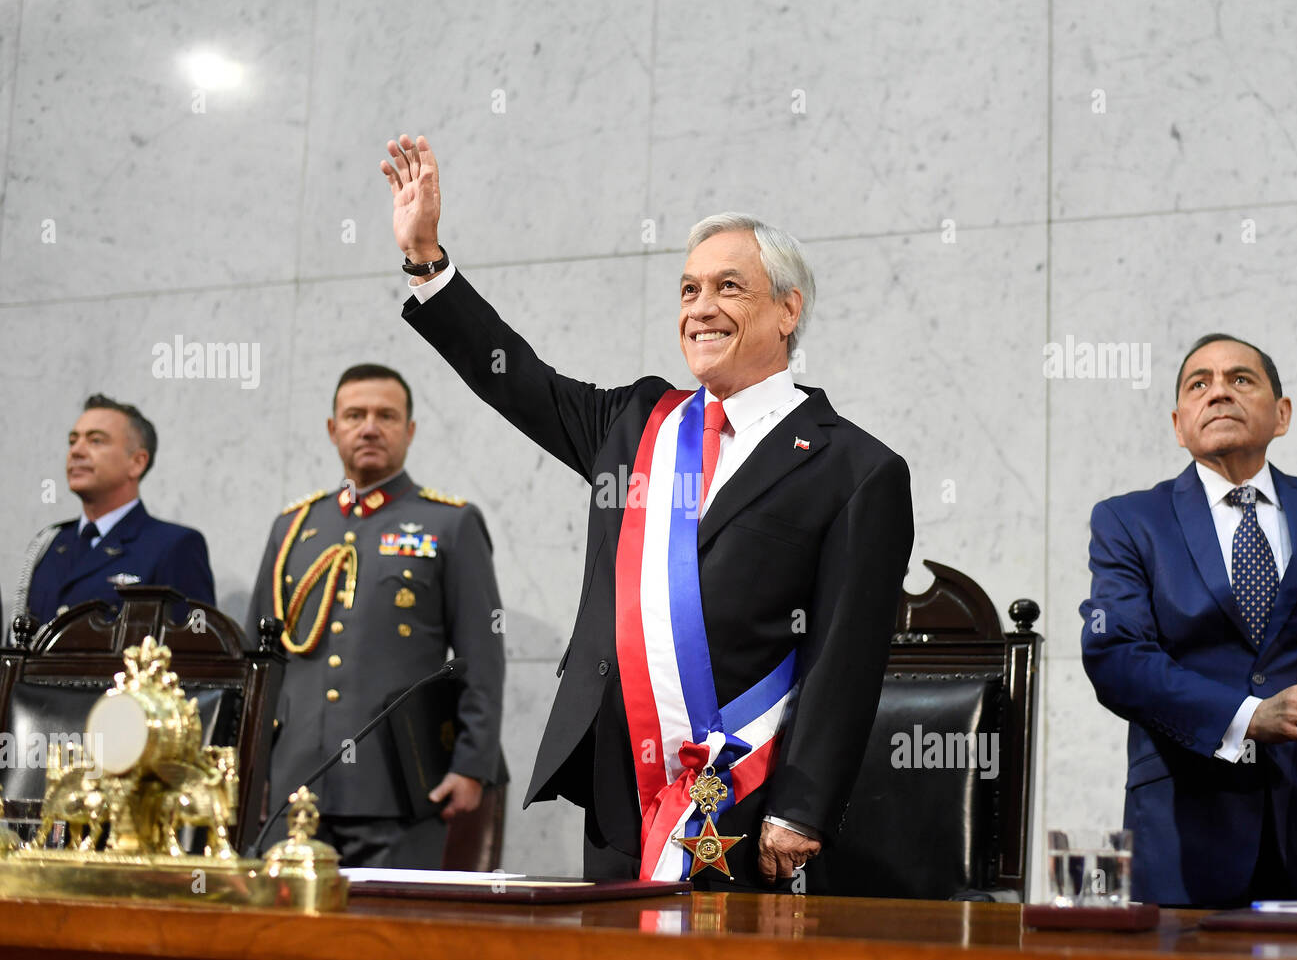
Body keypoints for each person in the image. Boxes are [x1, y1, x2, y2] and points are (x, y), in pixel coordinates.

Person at [381, 133, 913, 889]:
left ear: (788, 310)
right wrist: (429, 260)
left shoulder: (857, 468)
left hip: (750, 801)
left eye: (729, 288)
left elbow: (846, 658)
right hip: (618, 777)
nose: (701, 309)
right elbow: (515, 377)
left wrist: (802, 808)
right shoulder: (638, 424)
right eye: (690, 289)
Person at [245, 364, 507, 869]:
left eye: (386, 416)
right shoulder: (294, 528)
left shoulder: (449, 524)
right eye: (355, 415)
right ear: (332, 429)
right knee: (282, 939)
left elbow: (481, 658)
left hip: (399, 788)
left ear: (409, 431)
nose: (369, 427)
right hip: (292, 788)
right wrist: (252, 773)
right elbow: (261, 662)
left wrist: (472, 765)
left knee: (392, 936)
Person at [1081, 333, 1297, 906]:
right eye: (1199, 384)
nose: (1219, 392)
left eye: (1241, 379)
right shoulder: (1130, 521)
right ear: (1179, 424)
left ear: (1282, 415)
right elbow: (1116, 655)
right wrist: (1249, 716)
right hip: (1185, 825)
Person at [17, 394, 214, 631]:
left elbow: (196, 647)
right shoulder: (49, 545)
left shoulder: (173, 546)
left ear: (137, 462)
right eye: (72, 441)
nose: (76, 452)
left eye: (96, 441)